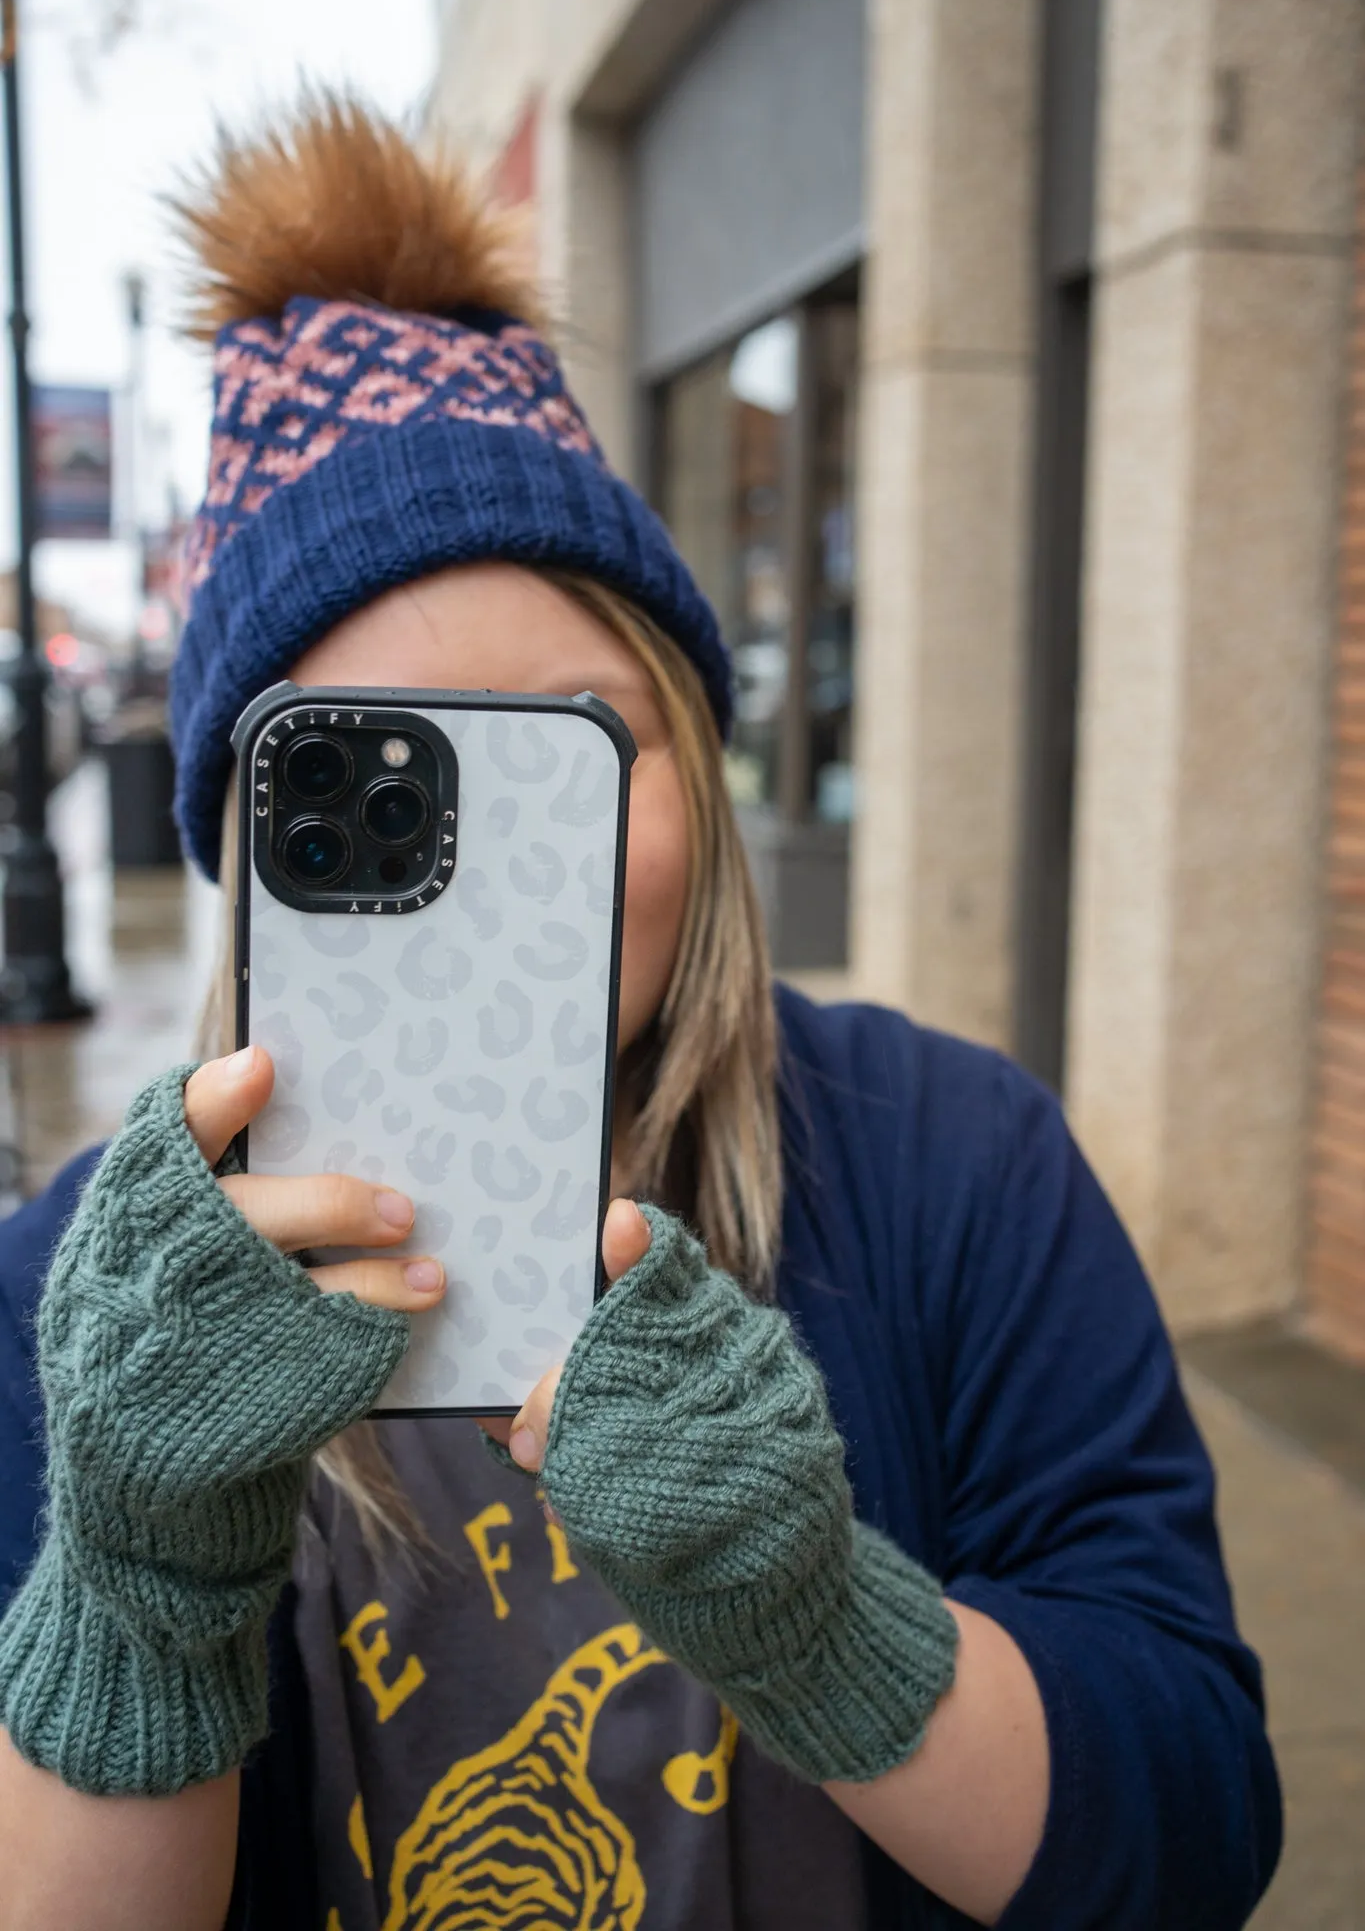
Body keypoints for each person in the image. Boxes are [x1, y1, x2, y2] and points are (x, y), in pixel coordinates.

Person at [0, 95, 1279, 1931]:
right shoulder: (76, 1302)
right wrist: (136, 1590)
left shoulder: (955, 1162)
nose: (529, 872)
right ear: (243, 852)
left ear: (701, 753)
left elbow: (1192, 1832)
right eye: (384, 785)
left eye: (583, 745)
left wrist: (829, 1623)